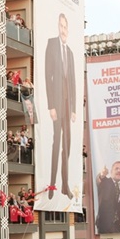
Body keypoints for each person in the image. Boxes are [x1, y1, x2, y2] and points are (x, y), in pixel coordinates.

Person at [44, 13, 76, 200]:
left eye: (66, 27)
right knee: (57, 143)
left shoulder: (70, 53)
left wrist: (73, 109)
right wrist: (51, 105)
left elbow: (72, 81)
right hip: (57, 104)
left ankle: (65, 185)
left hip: (67, 105)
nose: (63, 30)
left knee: (68, 145)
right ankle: (52, 184)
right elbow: (48, 76)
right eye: (61, 26)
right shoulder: (52, 45)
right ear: (58, 26)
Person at [95, 161, 120, 234]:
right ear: (111, 171)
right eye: (116, 168)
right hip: (104, 226)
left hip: (118, 228)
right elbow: (98, 181)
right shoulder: (105, 182)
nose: (119, 171)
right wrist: (101, 175)